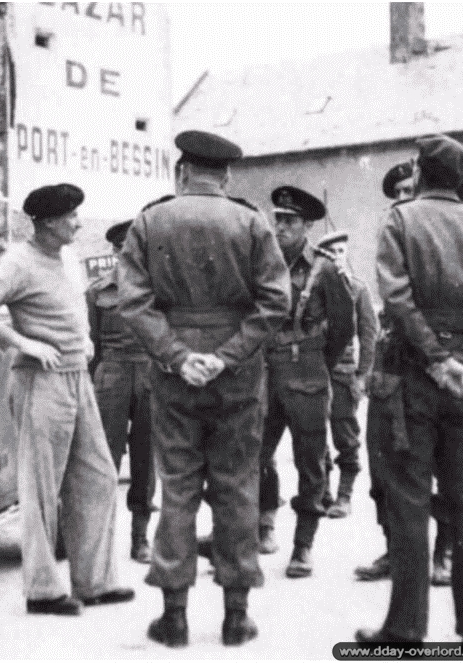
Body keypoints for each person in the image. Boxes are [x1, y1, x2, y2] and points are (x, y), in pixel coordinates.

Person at [117, 130, 290, 647]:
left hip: (175, 377)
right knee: (238, 488)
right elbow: (275, 304)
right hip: (236, 375)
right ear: (226, 175)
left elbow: (133, 304)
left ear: (182, 171)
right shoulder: (253, 223)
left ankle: (174, 618)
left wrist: (177, 355)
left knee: (178, 489)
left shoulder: (151, 221)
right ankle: (236, 617)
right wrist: (226, 355)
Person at [0, 183, 134, 616]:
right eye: (72, 216)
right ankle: (43, 591)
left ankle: (93, 582)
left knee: (99, 476)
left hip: (78, 377)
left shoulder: (67, 257)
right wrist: (23, 343)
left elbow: (72, 309)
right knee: (41, 489)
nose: (78, 222)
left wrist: (87, 341)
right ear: (50, 223)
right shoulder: (17, 261)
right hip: (41, 382)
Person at [356, 134, 463, 644]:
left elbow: (394, 296)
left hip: (410, 378)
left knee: (408, 502)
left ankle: (406, 629)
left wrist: (436, 360)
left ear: (420, 173)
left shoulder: (401, 219)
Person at [354, 161, 452, 585]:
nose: (403, 201)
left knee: (443, 466)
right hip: (391, 363)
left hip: (434, 363)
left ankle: (442, 555)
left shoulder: (445, 238)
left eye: (411, 190)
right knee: (382, 463)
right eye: (396, 195)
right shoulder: (391, 238)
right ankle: (395, 549)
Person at [257, 186, 354, 578]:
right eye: (277, 219)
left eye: (290, 221)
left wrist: (315, 362)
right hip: (264, 372)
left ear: (307, 225)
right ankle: (261, 527)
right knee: (253, 455)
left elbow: (345, 327)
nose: (280, 227)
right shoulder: (262, 263)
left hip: (306, 372)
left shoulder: (325, 268)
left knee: (310, 462)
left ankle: (303, 545)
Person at [87, 219, 156, 564]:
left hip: (149, 375)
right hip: (111, 375)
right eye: (122, 251)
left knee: (146, 459)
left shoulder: (158, 292)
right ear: (115, 252)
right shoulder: (97, 292)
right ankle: (99, 539)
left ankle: (140, 537)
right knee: (104, 459)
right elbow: (93, 345)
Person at [322, 233, 377, 519]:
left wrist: (361, 376)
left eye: (341, 250)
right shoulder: (315, 290)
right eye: (329, 252)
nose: (336, 256)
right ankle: (323, 492)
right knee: (314, 437)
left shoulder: (357, 289)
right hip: (315, 371)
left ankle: (344, 495)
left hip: (343, 373)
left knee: (345, 435)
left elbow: (369, 335)